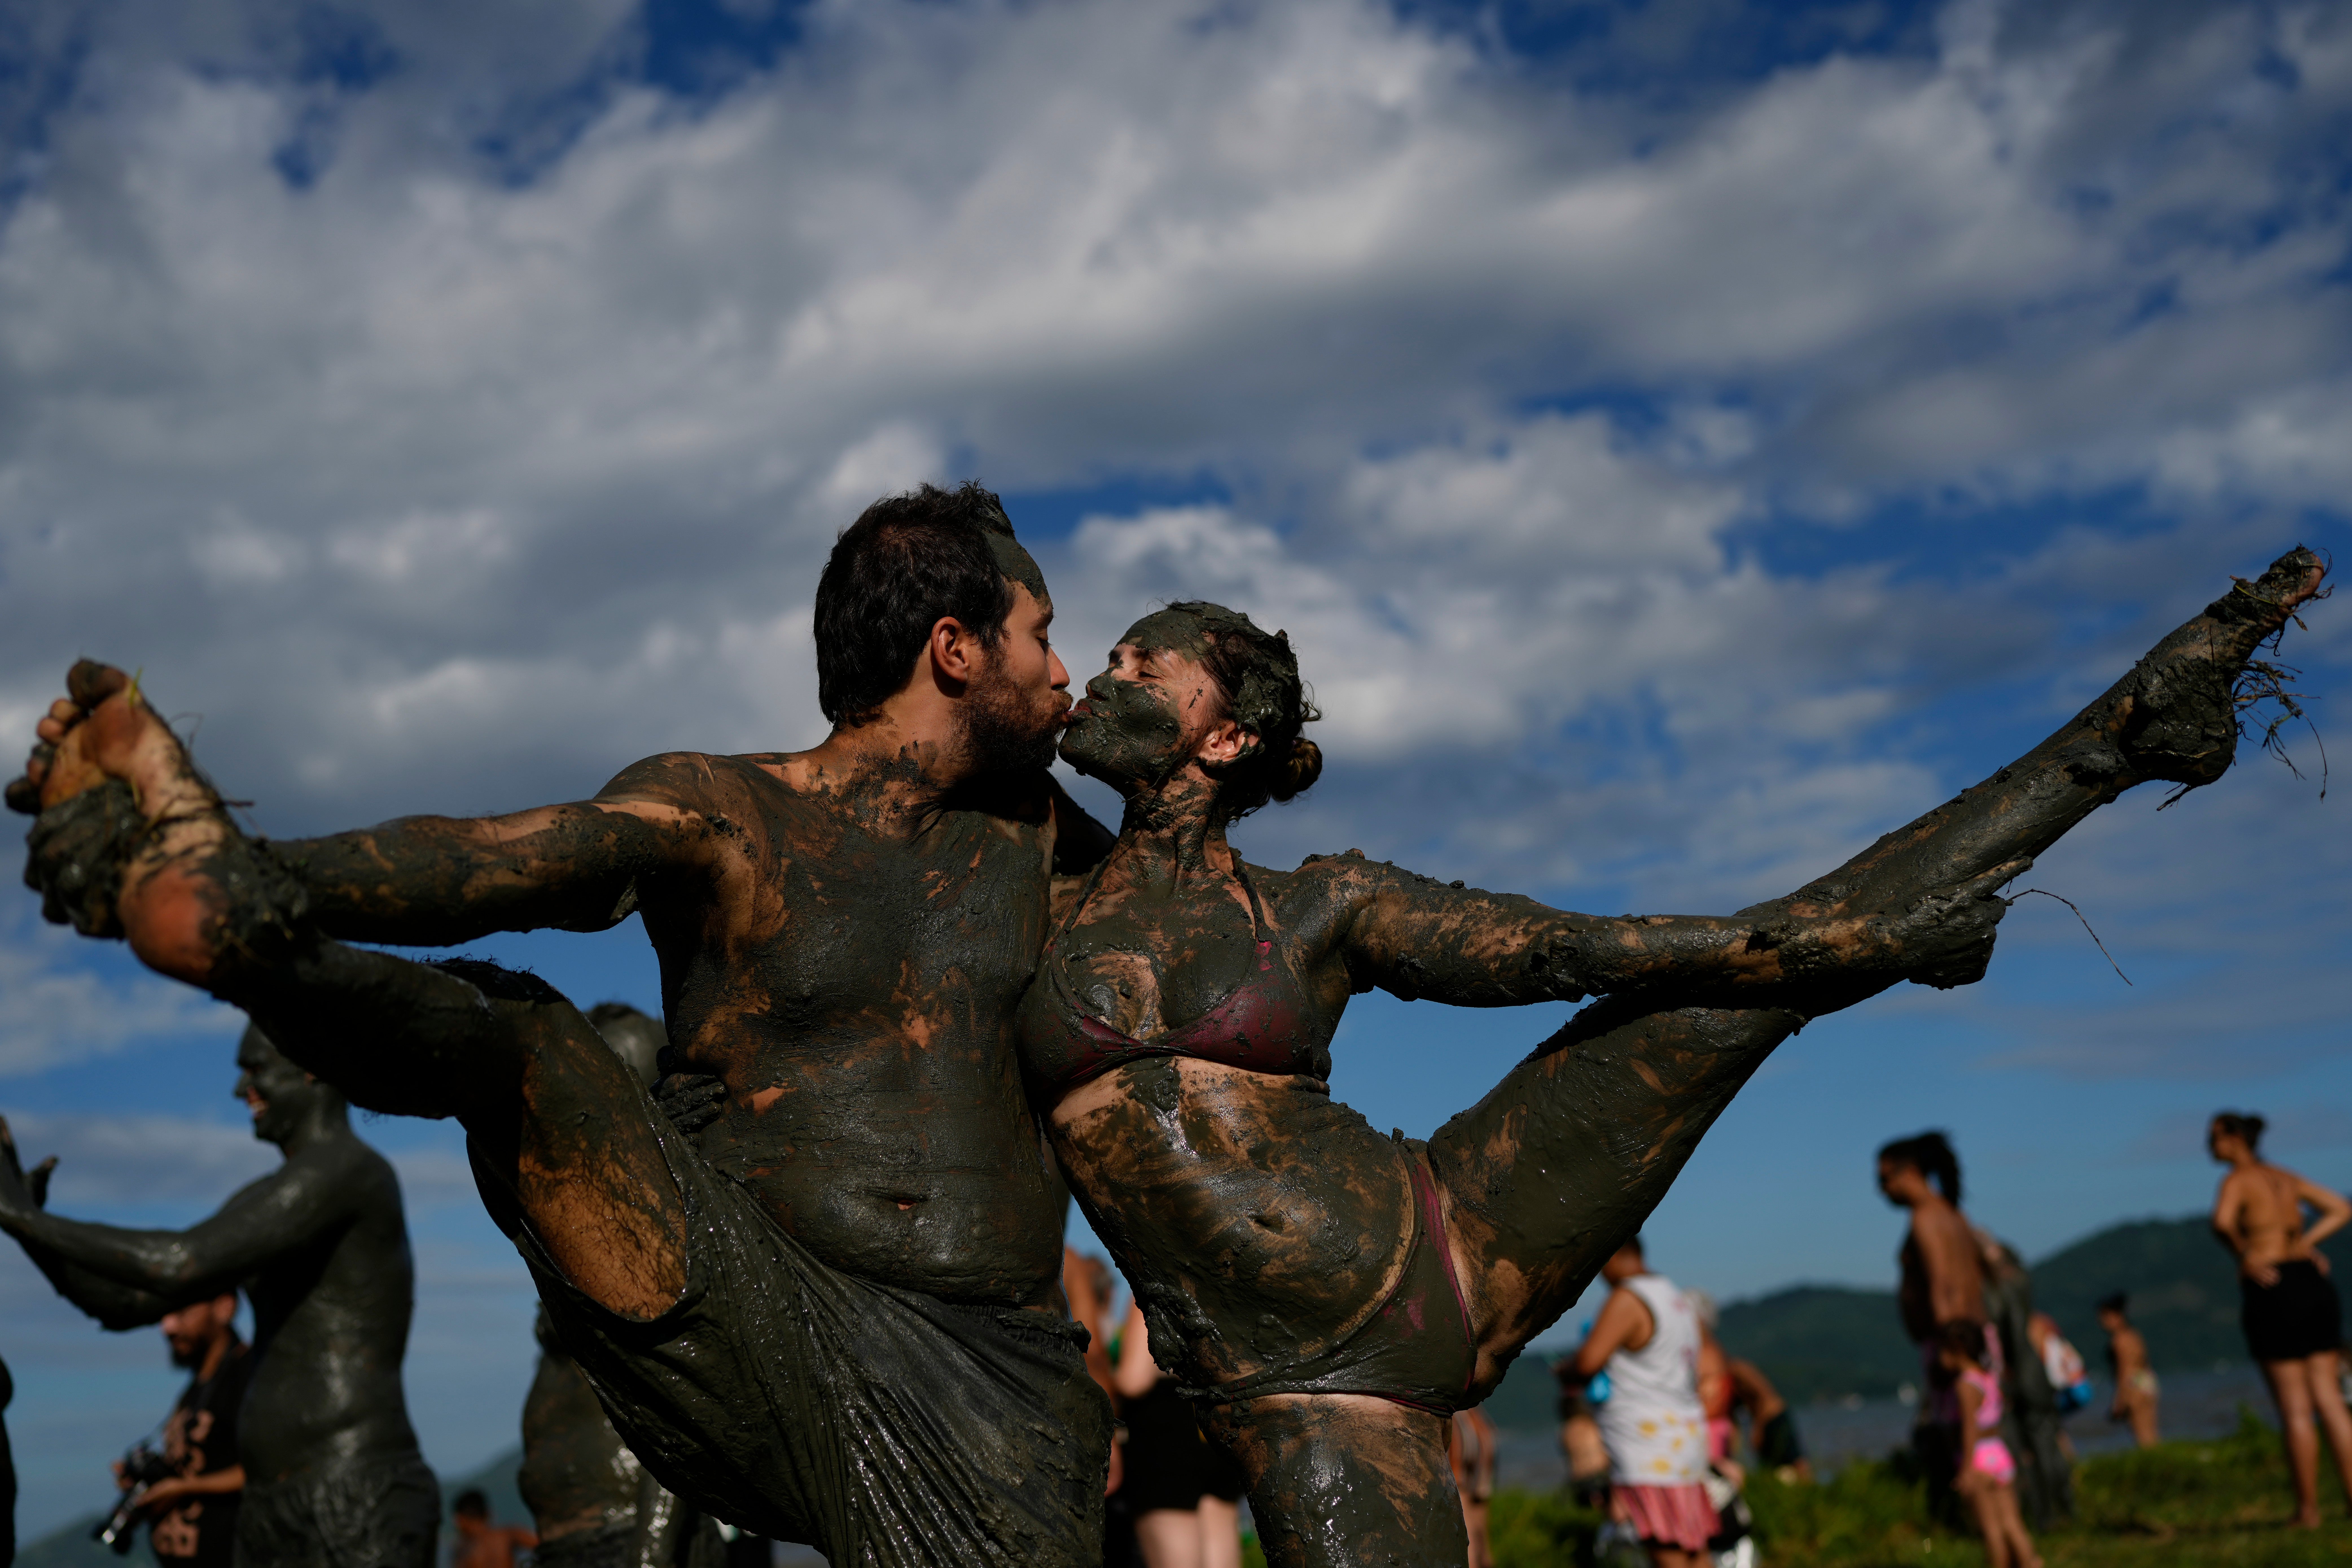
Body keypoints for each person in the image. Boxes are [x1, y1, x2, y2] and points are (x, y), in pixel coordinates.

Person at [1020, 549, 2325, 1566]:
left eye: (1144, 659)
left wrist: (1840, 945)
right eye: (1106, 652)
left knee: (1728, 997)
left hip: (1451, 1228)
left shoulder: (1314, 902)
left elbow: (1564, 947)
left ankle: (2125, 732)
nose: (1105, 671)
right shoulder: (1032, 864)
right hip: (1311, 1390)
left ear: (1223, 735)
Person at [6, 484, 1118, 1566]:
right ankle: (223, 910)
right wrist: (254, 872)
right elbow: (510, 856)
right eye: (1042, 636)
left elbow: (1174, 998)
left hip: (1001, 1379)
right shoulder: (732, 812)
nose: (1063, 670)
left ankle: (227, 891)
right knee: (525, 1037)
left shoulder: (1042, 839)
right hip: (759, 1316)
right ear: (956, 649)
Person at [0, 1028, 438, 1568]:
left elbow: (180, 1262)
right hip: (270, 1508)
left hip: (351, 1491)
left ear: (312, 1067)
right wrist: (30, 1229)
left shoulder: (348, 1172)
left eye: (255, 1069)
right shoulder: (267, 1198)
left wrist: (25, 1216)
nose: (239, 1089)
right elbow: (126, 1303)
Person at [519, 1005, 726, 1568]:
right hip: (573, 1544)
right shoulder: (581, 1214)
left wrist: (651, 1552)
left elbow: (683, 1396)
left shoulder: (675, 1222)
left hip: (635, 1540)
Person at [2208, 1110, 2352, 1528]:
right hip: (2309, 1281)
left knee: (2293, 1408)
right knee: (2329, 1400)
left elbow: (2220, 1222)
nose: (2209, 1146)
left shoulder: (2235, 1181)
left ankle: (2307, 1510)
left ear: (2235, 1139)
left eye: (2214, 1137)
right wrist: (2305, 1240)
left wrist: (2244, 1253)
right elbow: (2340, 1208)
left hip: (2272, 1284)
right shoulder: (2285, 1177)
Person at [1567, 1240, 1715, 1568]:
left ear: (1615, 1254)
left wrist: (1567, 1368)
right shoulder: (1676, 1298)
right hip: (1685, 1445)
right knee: (1695, 1550)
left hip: (1648, 1452)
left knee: (1667, 1553)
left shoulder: (1629, 1297)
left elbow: (1588, 1362)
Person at [1110, 1299, 1244, 1568]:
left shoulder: (1158, 1284)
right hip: (1219, 1428)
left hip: (1166, 1434)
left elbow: (1133, 1379)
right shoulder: (1227, 1283)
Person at [129, 1293, 252, 1568]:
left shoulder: (249, 1375)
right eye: (164, 1315)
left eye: (182, 1311)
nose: (167, 1327)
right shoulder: (196, 1387)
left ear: (224, 1307)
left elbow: (267, 1468)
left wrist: (185, 1488)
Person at [1934, 1320, 2039, 1568]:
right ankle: (2033, 1562)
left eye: (1942, 1349)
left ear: (1956, 1349)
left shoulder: (1965, 1384)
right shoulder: (1989, 1377)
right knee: (2012, 1524)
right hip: (1999, 1453)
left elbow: (1970, 1429)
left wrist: (1966, 1469)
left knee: (1991, 1530)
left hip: (1979, 1459)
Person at [1724, 1359, 1806, 1483]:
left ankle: (1808, 1486)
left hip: (1773, 1416)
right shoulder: (1727, 1379)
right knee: (1771, 1465)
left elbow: (1763, 1396)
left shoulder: (1738, 1370)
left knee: (1794, 1460)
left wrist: (1758, 1429)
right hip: (1765, 1419)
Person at [2094, 1295, 2158, 1449]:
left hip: (2133, 1387)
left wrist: (2119, 1401)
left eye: (2105, 1317)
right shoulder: (2134, 1335)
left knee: (2143, 1435)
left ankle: (2155, 1465)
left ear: (2117, 1317)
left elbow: (2125, 1372)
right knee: (2150, 1432)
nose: (2102, 1321)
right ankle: (2157, 1461)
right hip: (2147, 1384)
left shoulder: (2119, 1341)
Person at [1445, 1407, 1497, 1568]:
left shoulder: (1463, 1422)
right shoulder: (1479, 1421)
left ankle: (1476, 1557)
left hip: (1463, 1423)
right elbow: (1481, 1494)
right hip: (1476, 1425)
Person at [451, 1492, 537, 1568]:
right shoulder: (508, 1536)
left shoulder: (463, 1550)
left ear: (460, 1520)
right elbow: (545, 1545)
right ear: (487, 1514)